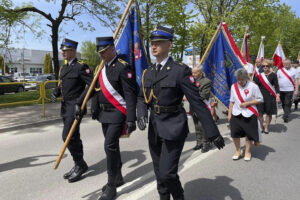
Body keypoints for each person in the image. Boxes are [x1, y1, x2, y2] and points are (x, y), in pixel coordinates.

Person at [137, 25, 225, 200]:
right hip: (155, 128)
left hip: (174, 127)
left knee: (167, 173)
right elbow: (141, 97)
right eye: (152, 43)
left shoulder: (180, 70)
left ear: (169, 45)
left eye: (159, 42)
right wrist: (140, 113)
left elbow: (197, 102)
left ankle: (179, 197)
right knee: (159, 173)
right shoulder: (148, 72)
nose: (154, 46)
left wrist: (212, 131)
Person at [90, 37, 138, 200]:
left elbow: (131, 94)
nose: (101, 55)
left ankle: (111, 185)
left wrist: (131, 118)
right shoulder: (100, 69)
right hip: (104, 114)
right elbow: (96, 90)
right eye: (100, 52)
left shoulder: (123, 67)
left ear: (112, 49)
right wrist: (93, 107)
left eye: (104, 51)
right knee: (113, 147)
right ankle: (117, 177)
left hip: (118, 113)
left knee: (109, 145)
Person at [51, 38, 93, 182]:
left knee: (67, 136)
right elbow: (62, 84)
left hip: (75, 106)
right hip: (65, 106)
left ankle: (80, 165)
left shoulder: (81, 66)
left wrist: (80, 103)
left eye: (66, 50)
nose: (63, 52)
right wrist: (56, 92)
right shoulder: (64, 67)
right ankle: (79, 164)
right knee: (73, 136)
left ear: (73, 51)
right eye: (62, 50)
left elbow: (91, 86)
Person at [228, 68, 263, 161]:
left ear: (246, 78)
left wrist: (248, 103)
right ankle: (238, 150)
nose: (240, 81)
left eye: (242, 79)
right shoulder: (233, 87)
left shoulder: (253, 86)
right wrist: (229, 114)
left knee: (248, 134)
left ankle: (247, 151)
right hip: (236, 113)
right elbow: (231, 101)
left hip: (249, 113)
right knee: (234, 134)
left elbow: (260, 99)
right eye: (238, 79)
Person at [254, 59, 280, 134]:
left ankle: (266, 127)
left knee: (269, 113)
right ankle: (261, 126)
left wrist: (277, 95)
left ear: (269, 66)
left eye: (267, 66)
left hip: (270, 96)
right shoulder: (259, 76)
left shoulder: (273, 75)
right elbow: (254, 85)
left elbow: (277, 86)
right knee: (260, 113)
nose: (265, 67)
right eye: (263, 66)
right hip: (260, 97)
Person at [190, 65, 212, 152]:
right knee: (196, 126)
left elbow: (204, 95)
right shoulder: (191, 81)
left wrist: (190, 97)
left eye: (195, 72)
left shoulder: (206, 81)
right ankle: (199, 142)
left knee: (202, 126)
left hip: (202, 107)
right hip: (193, 107)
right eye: (192, 72)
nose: (193, 74)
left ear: (200, 72)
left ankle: (206, 143)